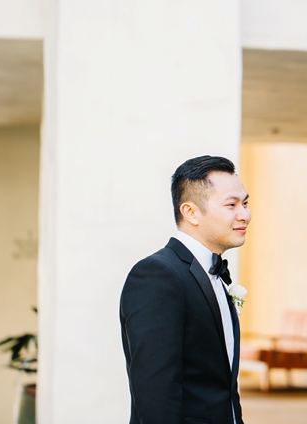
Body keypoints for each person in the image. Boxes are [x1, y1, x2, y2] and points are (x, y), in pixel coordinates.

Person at [121, 155, 252, 424]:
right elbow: (155, 394)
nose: (245, 215)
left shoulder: (215, 274)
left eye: (245, 203)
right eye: (231, 205)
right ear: (190, 212)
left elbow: (223, 387)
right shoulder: (157, 275)